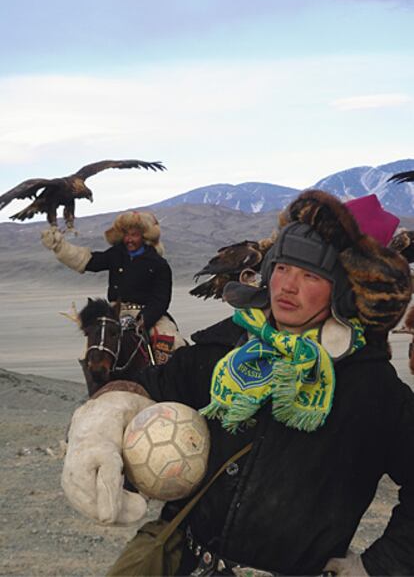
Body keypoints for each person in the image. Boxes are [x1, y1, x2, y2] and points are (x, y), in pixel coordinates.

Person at [61, 190, 414, 576]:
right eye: (282, 268)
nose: (287, 286)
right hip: (185, 563)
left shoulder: (373, 391)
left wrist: (378, 566)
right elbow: (149, 387)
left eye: (310, 275)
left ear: (346, 291)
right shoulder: (225, 348)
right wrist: (100, 426)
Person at [41, 210, 185, 363]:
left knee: (173, 343)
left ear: (144, 236)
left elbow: (161, 300)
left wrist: (143, 320)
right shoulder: (117, 254)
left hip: (147, 316)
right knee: (95, 349)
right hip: (114, 313)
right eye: (126, 235)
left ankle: (170, 384)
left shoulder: (158, 264)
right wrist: (60, 246)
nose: (129, 240)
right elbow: (90, 261)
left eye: (134, 235)